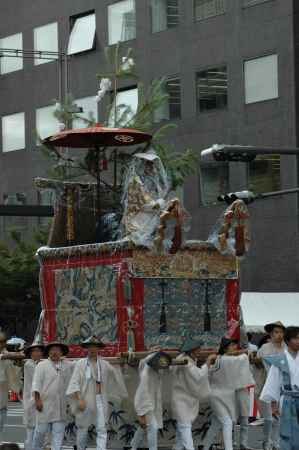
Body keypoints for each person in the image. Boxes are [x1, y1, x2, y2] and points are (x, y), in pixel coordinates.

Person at [66, 336, 128, 450]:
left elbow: (116, 374)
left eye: (95, 347)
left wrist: (121, 360)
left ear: (99, 349)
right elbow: (74, 382)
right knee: (83, 428)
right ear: (86, 348)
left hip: (100, 399)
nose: (92, 349)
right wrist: (79, 399)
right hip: (85, 399)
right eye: (90, 347)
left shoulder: (104, 364)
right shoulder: (80, 364)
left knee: (102, 428)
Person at [200, 337, 254, 450]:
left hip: (224, 396)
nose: (235, 347)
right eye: (232, 345)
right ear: (225, 349)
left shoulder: (220, 359)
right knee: (227, 422)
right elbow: (242, 358)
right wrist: (246, 353)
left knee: (216, 423)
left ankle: (205, 446)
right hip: (218, 397)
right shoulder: (227, 360)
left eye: (235, 344)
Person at [171, 339, 215, 450]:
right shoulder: (185, 360)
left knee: (182, 430)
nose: (200, 350)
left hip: (186, 398)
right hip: (181, 399)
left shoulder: (187, 359)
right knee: (185, 426)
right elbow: (199, 375)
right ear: (192, 350)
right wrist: (208, 362)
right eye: (198, 348)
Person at [260, 326, 299, 450]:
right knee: (287, 431)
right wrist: (273, 403)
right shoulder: (280, 360)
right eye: (296, 338)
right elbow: (273, 381)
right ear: (287, 341)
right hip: (287, 398)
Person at [31, 341, 74, 450]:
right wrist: (37, 400)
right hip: (44, 404)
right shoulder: (42, 365)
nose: (54, 352)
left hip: (60, 406)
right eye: (52, 350)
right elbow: (36, 383)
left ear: (61, 352)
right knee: (40, 432)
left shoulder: (67, 365)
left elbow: (81, 365)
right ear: (49, 352)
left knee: (58, 436)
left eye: (57, 350)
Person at [251, 321, 286, 450]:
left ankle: (276, 443)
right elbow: (257, 365)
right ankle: (267, 442)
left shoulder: (286, 348)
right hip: (263, 387)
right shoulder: (264, 348)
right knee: (269, 418)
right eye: (276, 332)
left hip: (281, 389)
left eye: (281, 332)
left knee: (278, 419)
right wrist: (258, 361)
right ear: (270, 334)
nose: (279, 335)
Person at [131, 349, 171, 450]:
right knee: (152, 428)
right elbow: (141, 394)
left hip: (151, 405)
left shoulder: (155, 370)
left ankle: (133, 446)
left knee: (143, 427)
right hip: (146, 406)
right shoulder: (147, 374)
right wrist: (141, 413)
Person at [0, 332, 23, 436]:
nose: (1, 344)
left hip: (2, 405)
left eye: (3, 342)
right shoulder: (6, 356)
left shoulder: (8, 360)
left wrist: (18, 363)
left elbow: (13, 380)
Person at [22, 342, 45, 450]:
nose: (37, 353)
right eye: (35, 351)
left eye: (39, 351)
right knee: (30, 432)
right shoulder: (29, 364)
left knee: (40, 431)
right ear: (31, 354)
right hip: (31, 401)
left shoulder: (42, 364)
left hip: (41, 400)